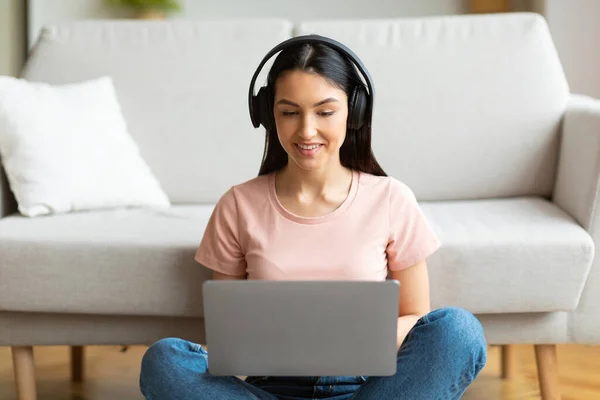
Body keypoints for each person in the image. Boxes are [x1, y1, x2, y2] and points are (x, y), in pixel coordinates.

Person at [139, 35, 487, 400]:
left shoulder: (390, 198)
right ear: (267, 114)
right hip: (270, 390)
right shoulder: (238, 205)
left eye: (325, 112)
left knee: (457, 330)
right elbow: (229, 334)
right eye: (290, 112)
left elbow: (418, 318)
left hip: (366, 390)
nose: (306, 130)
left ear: (355, 111)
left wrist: (349, 339)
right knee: (166, 360)